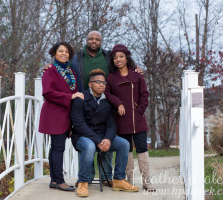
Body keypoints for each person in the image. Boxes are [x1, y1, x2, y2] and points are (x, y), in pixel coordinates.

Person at [44, 31, 144, 186]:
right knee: (86, 143)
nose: (94, 41)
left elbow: (121, 64)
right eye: (91, 38)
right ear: (86, 40)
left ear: (101, 42)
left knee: (115, 141)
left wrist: (135, 69)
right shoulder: (76, 58)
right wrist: (50, 66)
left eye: (97, 39)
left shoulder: (108, 57)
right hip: (82, 101)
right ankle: (85, 179)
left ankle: (110, 178)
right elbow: (59, 70)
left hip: (103, 101)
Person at [70, 69, 140, 197]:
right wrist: (98, 141)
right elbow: (79, 124)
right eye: (98, 82)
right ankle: (83, 182)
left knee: (124, 144)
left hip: (103, 137)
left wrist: (108, 139)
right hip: (82, 137)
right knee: (89, 146)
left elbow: (111, 124)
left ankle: (119, 179)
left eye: (104, 82)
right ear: (90, 84)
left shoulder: (107, 101)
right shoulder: (80, 99)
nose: (102, 84)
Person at [104, 44, 156, 192]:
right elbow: (107, 94)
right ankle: (130, 180)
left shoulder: (137, 75)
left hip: (138, 120)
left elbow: (145, 95)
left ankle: (147, 181)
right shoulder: (111, 78)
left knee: (142, 150)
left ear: (126, 58)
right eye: (115, 58)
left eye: (121, 56)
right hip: (121, 119)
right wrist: (118, 103)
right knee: (126, 151)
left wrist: (139, 111)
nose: (118, 60)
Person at [38, 42, 84, 192]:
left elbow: (75, 91)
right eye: (60, 51)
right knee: (58, 148)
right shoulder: (50, 71)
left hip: (65, 115)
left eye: (66, 52)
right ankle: (59, 180)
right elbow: (48, 93)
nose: (64, 54)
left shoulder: (70, 72)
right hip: (54, 114)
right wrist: (70, 97)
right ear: (54, 53)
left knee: (56, 148)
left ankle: (54, 180)